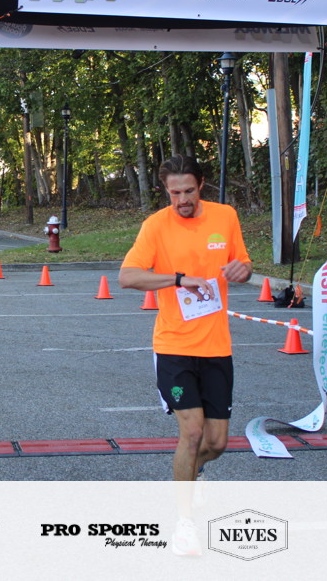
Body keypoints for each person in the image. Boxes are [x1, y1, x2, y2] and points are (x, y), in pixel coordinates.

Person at [119, 156, 251, 554]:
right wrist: (178, 279)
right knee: (191, 433)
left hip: (216, 348)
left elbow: (243, 263)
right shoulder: (156, 226)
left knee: (217, 442)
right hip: (174, 347)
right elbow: (127, 276)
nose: (182, 200)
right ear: (166, 190)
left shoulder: (225, 217)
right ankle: (184, 524)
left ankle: (192, 475)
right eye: (174, 193)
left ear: (201, 185)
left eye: (188, 191)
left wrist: (243, 270)